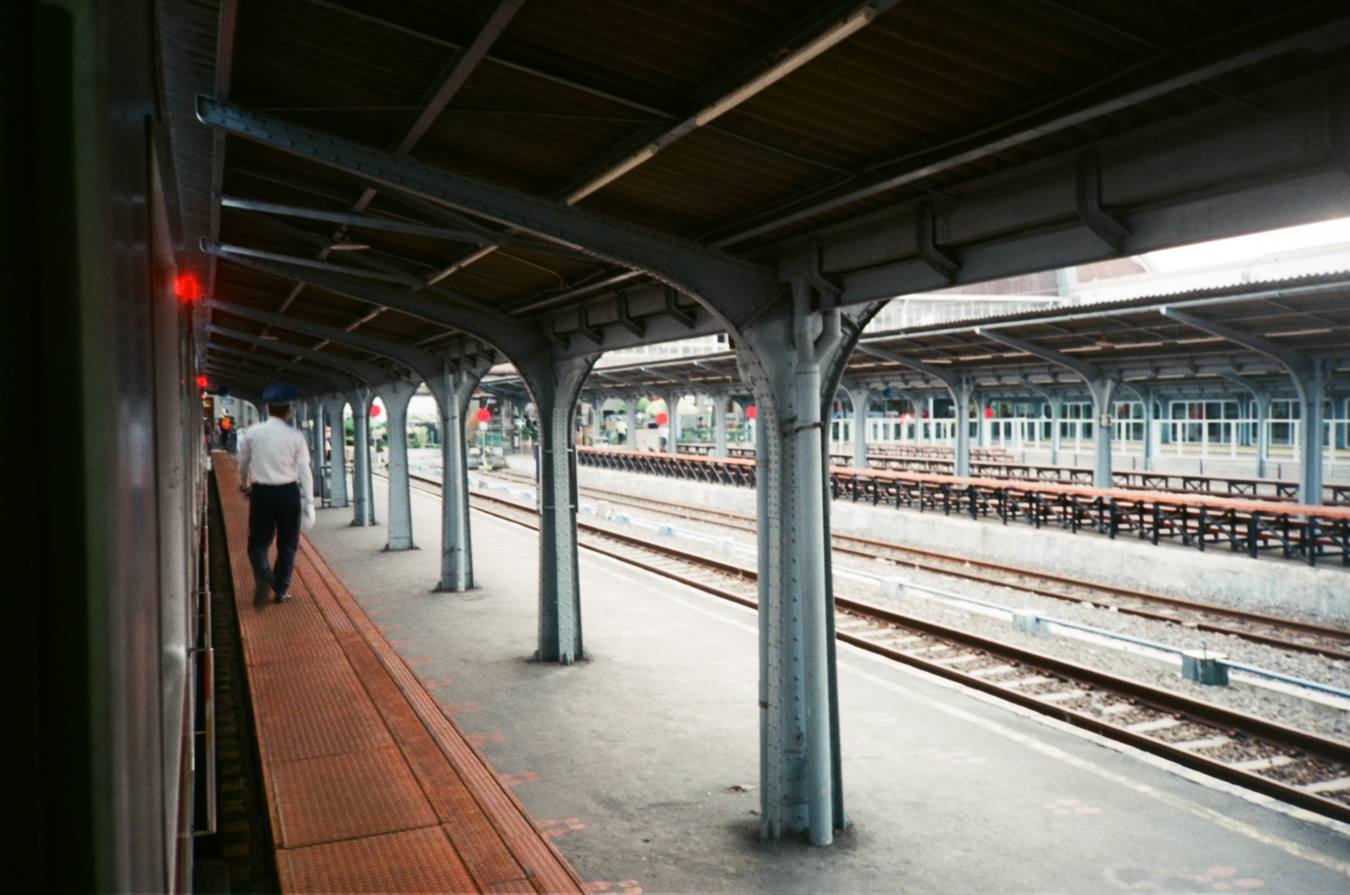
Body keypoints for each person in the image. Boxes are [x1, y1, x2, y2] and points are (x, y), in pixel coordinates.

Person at [237, 384, 315, 606]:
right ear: (288, 410)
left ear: (268, 408)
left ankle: (264, 575)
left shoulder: (252, 433)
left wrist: (244, 484)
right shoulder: (296, 436)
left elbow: (242, 465)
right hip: (288, 494)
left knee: (258, 543)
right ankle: (281, 590)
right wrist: (309, 502)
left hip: (261, 493)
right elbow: (304, 471)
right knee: (287, 545)